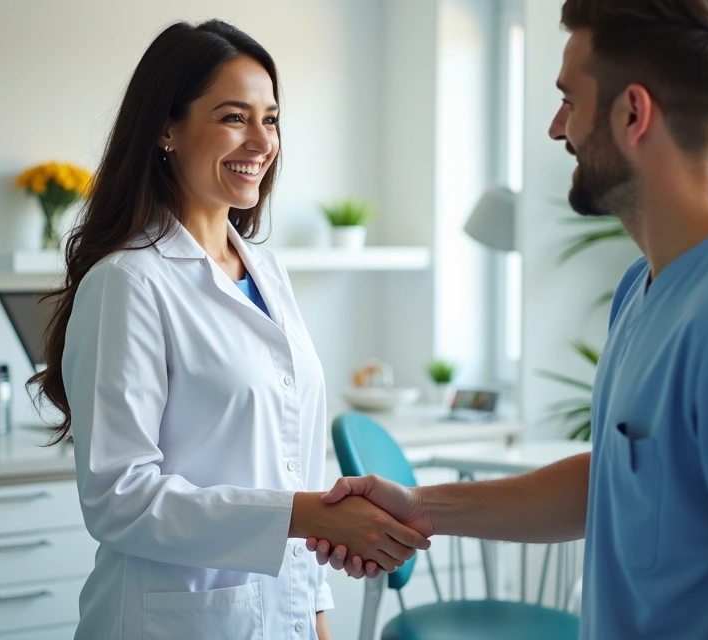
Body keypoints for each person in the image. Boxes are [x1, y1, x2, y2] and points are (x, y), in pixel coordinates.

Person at [308, 1, 708, 638]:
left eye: (569, 101)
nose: (556, 127)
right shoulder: (643, 288)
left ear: (633, 113)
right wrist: (423, 506)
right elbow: (615, 481)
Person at [29, 20, 428, 640]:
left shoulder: (266, 270)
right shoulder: (128, 283)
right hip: (174, 622)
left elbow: (295, 473)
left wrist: (317, 617)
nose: (262, 142)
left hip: (285, 614)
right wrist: (304, 517)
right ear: (166, 128)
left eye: (271, 119)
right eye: (234, 117)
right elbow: (118, 498)